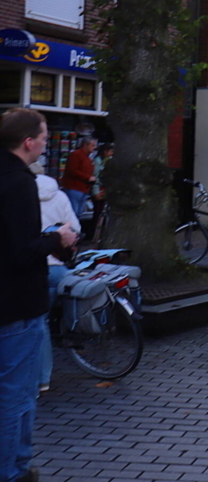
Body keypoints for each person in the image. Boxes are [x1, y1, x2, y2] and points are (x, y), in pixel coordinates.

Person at [0, 108, 77, 482]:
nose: (46, 145)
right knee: (16, 395)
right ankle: (12, 470)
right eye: (44, 138)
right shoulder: (20, 183)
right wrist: (56, 238)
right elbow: (21, 251)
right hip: (17, 304)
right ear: (28, 142)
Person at [29, 162, 81, 394]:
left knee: (37, 323)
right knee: (43, 322)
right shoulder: (59, 195)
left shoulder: (19, 194)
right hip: (60, 269)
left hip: (36, 267)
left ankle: (41, 378)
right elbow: (75, 228)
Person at [60, 136, 97, 218]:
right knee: (73, 213)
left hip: (84, 189)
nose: (94, 148)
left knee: (79, 213)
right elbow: (72, 170)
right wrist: (88, 177)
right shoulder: (75, 155)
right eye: (92, 145)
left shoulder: (88, 158)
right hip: (74, 188)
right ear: (85, 145)